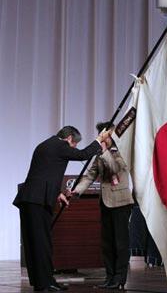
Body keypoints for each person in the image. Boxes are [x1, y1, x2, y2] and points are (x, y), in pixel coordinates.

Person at [13, 125, 111, 292]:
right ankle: (46, 283)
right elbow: (84, 154)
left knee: (34, 242)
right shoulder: (60, 146)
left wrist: (58, 194)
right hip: (37, 201)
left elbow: (45, 173)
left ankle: (40, 281)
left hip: (30, 198)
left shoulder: (46, 145)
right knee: (42, 242)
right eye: (74, 145)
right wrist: (99, 140)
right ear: (69, 139)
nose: (73, 148)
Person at [68, 122, 134, 290]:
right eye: (101, 135)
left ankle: (120, 278)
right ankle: (110, 277)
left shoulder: (122, 152)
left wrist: (104, 152)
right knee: (107, 243)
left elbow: (114, 168)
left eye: (105, 134)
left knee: (120, 242)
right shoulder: (100, 156)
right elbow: (90, 175)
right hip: (105, 202)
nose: (103, 138)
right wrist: (76, 191)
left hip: (121, 203)